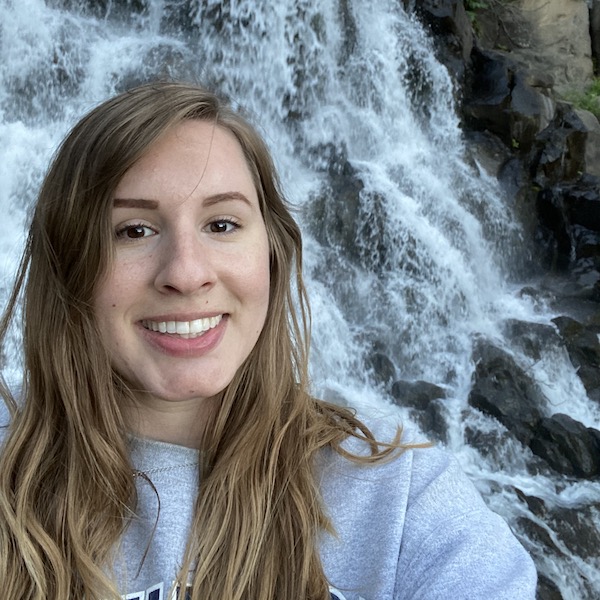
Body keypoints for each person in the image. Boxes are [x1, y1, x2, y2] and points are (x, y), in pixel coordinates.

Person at [0, 81, 537, 600]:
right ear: (68, 265)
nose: (186, 274)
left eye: (222, 224)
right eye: (134, 230)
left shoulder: (396, 490)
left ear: (273, 253)